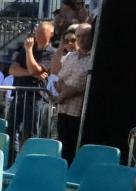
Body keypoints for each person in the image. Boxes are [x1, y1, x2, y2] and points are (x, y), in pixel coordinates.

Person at [7, 21, 56, 151]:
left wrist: (29, 51)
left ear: (51, 34)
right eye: (36, 32)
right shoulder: (25, 50)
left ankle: (26, 160)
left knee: (29, 133)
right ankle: (12, 161)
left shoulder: (51, 53)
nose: (37, 35)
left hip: (36, 97)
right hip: (19, 94)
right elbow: (12, 70)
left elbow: (36, 69)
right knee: (11, 131)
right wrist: (31, 72)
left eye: (41, 32)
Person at [51, 23, 93, 163]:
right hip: (63, 110)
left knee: (75, 149)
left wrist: (63, 95)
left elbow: (86, 86)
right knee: (62, 146)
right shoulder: (70, 56)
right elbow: (60, 79)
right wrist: (63, 92)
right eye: (79, 36)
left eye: (85, 36)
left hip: (79, 112)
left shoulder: (95, 58)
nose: (81, 39)